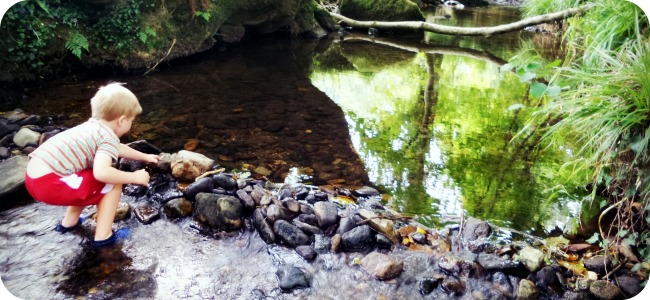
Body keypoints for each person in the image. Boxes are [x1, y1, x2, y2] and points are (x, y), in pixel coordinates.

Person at [24, 82, 159, 248]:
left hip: (33, 178)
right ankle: (104, 236)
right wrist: (134, 177)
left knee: (85, 177)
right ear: (122, 120)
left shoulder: (92, 127)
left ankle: (69, 223)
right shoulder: (107, 137)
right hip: (50, 183)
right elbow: (102, 173)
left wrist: (145, 156)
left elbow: (117, 148)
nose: (131, 124)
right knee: (113, 183)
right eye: (131, 120)